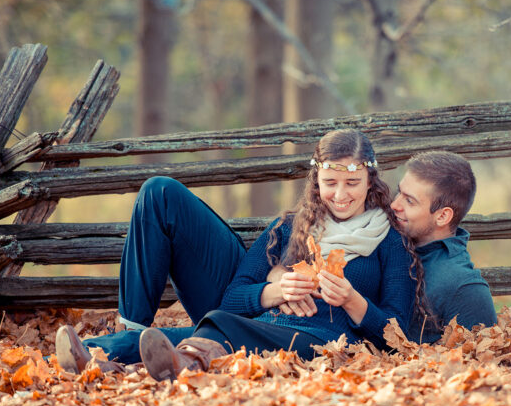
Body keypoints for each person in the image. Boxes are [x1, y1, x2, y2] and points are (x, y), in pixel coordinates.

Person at [57, 129, 425, 379]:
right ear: (316, 183)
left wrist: (352, 300)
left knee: (224, 328)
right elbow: (232, 299)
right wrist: (275, 292)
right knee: (136, 340)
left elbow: (397, 335)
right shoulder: (290, 227)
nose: (340, 194)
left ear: (370, 181)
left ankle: (184, 360)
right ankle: (91, 362)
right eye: (330, 183)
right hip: (264, 327)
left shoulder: (390, 243)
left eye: (352, 183)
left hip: (324, 345)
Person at [390, 151, 496, 343]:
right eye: (399, 192)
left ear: (442, 217)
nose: (394, 204)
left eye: (409, 200)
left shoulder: (465, 288)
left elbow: (481, 366)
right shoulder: (392, 246)